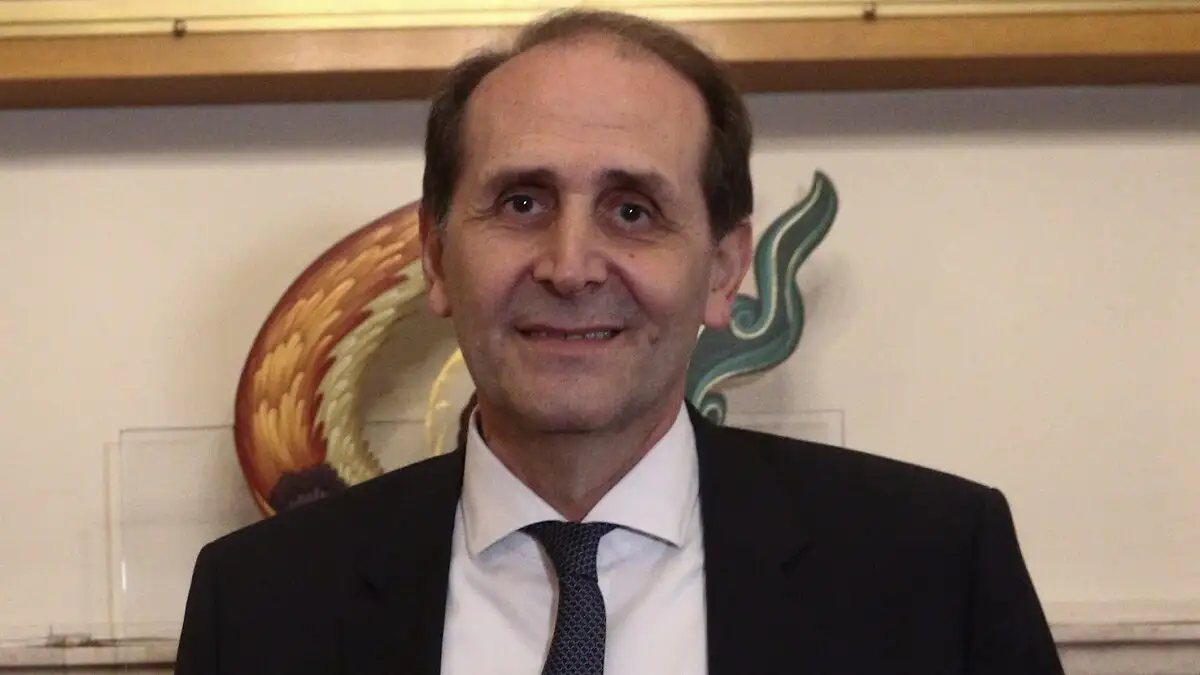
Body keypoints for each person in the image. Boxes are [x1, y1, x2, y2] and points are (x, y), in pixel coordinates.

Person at [174, 8, 1065, 675]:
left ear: (723, 270)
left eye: (632, 210)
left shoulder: (936, 569)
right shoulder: (259, 604)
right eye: (522, 201)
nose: (570, 267)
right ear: (438, 259)